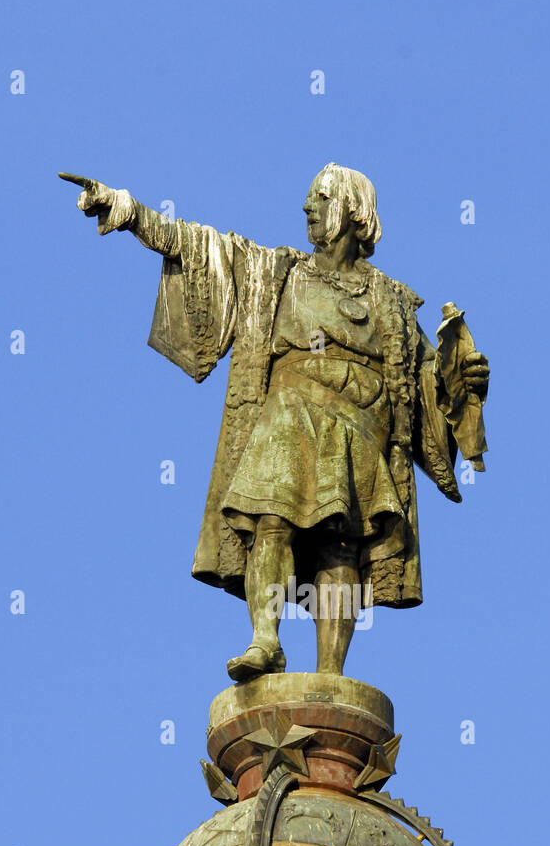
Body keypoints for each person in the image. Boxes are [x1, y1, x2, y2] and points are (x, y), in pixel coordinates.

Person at [60, 164, 489, 680]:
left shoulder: (392, 302)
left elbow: (431, 389)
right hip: (289, 413)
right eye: (309, 200)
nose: (307, 209)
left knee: (341, 544)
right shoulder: (276, 272)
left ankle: (331, 675)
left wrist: (465, 377)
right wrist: (128, 211)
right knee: (271, 519)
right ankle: (266, 639)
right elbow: (198, 247)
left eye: (321, 198)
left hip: (360, 428)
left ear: (356, 212)